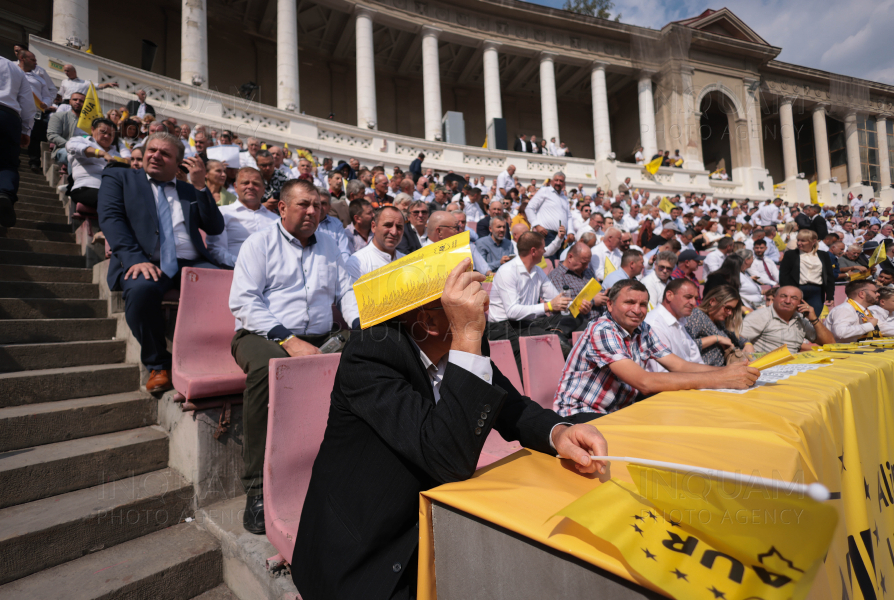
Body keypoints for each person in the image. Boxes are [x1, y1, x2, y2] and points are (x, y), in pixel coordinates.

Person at [291, 257, 609, 600]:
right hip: (365, 549)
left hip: (432, 527)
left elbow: (511, 405)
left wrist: (557, 432)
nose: (483, 308)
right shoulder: (371, 354)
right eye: (469, 301)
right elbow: (446, 457)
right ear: (428, 320)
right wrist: (467, 336)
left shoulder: (463, 343)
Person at [229, 179, 359, 535]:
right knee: (267, 371)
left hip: (319, 336)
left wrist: (360, 324)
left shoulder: (330, 244)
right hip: (262, 334)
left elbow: (346, 291)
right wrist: (287, 340)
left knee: (373, 351)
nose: (314, 211)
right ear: (282, 208)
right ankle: (257, 489)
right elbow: (244, 302)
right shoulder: (259, 243)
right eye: (304, 205)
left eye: (318, 205)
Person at [98, 133, 224, 393]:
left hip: (193, 263)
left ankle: (218, 357)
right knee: (141, 289)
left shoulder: (188, 190)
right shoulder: (119, 178)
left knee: (229, 286)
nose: (155, 155)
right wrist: (134, 259)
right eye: (151, 150)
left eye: (164, 153)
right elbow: (111, 219)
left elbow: (214, 226)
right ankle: (158, 365)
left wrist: (201, 186)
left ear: (178, 164)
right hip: (146, 261)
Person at [553, 279, 759, 417]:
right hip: (581, 414)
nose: (637, 310)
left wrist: (729, 372)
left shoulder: (643, 328)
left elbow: (680, 366)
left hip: (617, 411)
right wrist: (721, 378)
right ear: (609, 305)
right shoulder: (603, 329)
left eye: (643, 304)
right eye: (629, 302)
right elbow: (645, 382)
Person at [487, 232, 572, 368]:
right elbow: (512, 312)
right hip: (502, 326)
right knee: (550, 339)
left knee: (576, 319)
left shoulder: (537, 270)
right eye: (543, 248)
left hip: (526, 323)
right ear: (533, 251)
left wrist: (576, 304)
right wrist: (548, 306)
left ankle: (556, 333)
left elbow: (555, 298)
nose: (545, 251)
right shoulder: (507, 271)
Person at [206, 167, 279, 268]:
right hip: (233, 273)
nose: (250, 187)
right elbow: (217, 250)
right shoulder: (223, 213)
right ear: (235, 187)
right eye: (245, 183)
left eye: (256, 183)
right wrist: (244, 266)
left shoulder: (276, 220)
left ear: (263, 189)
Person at [0, 52, 35, 228]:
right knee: (7, 164)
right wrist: (26, 130)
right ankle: (4, 193)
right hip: (8, 117)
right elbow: (27, 103)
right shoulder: (16, 70)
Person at [741, 285, 833, 354]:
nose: (788, 301)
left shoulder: (801, 319)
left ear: (800, 302)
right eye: (783, 296)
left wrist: (814, 320)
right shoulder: (760, 316)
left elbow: (830, 343)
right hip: (765, 370)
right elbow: (737, 338)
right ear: (775, 298)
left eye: (794, 298)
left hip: (793, 368)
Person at [65, 118, 127, 209]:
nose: (107, 136)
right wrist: (102, 154)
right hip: (86, 188)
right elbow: (72, 147)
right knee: (113, 203)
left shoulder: (117, 154)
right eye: (103, 132)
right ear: (93, 129)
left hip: (112, 192)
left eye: (111, 135)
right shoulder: (81, 140)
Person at [684, 285, 753, 367]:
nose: (730, 313)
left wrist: (748, 344)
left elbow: (737, 337)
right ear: (712, 301)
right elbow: (685, 346)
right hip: (703, 372)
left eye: (732, 310)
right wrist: (716, 338)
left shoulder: (720, 322)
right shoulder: (697, 316)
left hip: (721, 370)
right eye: (727, 308)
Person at [643, 278, 703, 372]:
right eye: (688, 297)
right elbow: (662, 374)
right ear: (669, 295)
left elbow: (696, 361)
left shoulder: (680, 322)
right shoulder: (654, 324)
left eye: (695, 298)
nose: (693, 303)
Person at [779, 229, 835, 317]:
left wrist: (830, 296)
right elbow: (784, 275)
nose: (799, 243)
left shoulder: (823, 255)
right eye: (798, 240)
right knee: (795, 320)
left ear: (813, 242)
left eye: (803, 241)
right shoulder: (791, 255)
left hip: (817, 293)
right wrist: (787, 293)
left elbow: (829, 276)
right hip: (796, 291)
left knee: (813, 320)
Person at [345, 205, 405, 281]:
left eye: (399, 227)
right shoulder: (357, 263)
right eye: (388, 225)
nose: (394, 232)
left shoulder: (408, 261)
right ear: (373, 227)